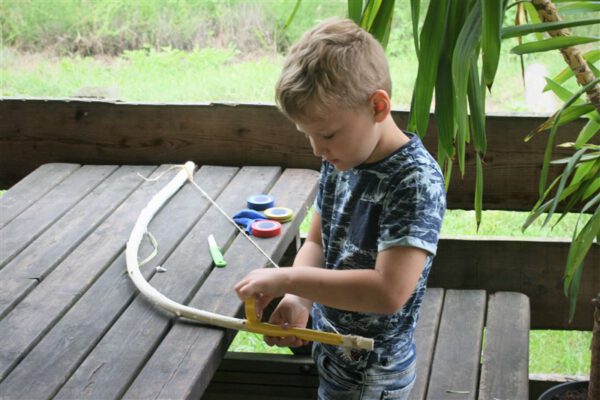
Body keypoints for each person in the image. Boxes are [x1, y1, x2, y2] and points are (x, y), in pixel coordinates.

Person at [235, 17, 446, 400]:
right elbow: (317, 241)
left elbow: (388, 292)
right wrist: (300, 300)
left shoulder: (414, 181)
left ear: (377, 106)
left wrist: (287, 281)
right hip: (333, 349)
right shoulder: (342, 157)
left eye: (327, 134)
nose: (317, 149)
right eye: (308, 136)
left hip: (372, 373)